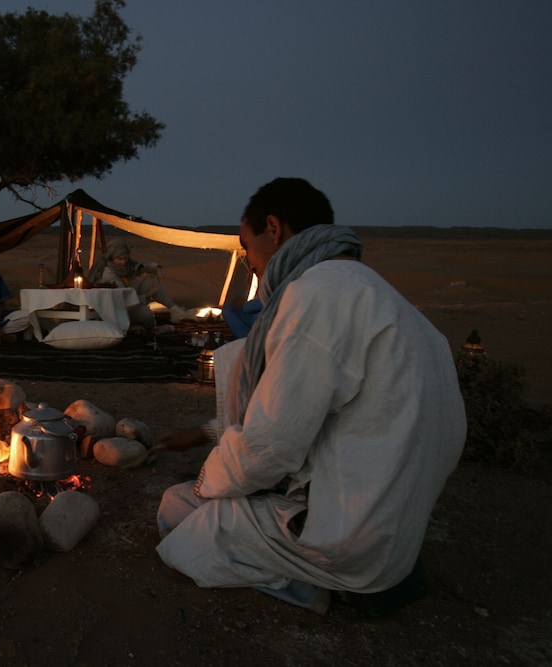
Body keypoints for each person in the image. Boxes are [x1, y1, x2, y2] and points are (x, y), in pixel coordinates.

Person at [154, 177, 466, 615]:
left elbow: (271, 445)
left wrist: (211, 484)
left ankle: (324, 584)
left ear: (274, 228)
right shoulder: (381, 297)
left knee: (180, 511)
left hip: (349, 535)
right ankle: (374, 571)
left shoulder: (315, 295)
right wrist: (207, 433)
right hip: (394, 525)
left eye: (247, 246)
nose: (250, 262)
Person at [90, 239, 192, 330]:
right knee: (146, 314)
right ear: (111, 258)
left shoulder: (127, 266)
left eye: (125, 258)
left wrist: (156, 268)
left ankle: (174, 309)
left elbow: (141, 267)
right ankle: (144, 329)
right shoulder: (108, 273)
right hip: (121, 310)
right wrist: (147, 296)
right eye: (119, 259)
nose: (123, 262)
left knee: (152, 280)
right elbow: (123, 299)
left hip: (134, 299)